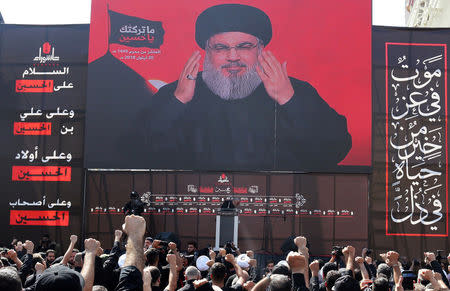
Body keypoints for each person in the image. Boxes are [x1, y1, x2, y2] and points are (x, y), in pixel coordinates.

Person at [139, 3, 351, 171]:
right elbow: (136, 149)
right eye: (221, 48)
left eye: (244, 47)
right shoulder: (179, 92)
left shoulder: (293, 91)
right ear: (207, 52)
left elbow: (336, 148)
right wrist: (178, 102)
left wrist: (289, 100)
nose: (233, 57)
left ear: (261, 49)